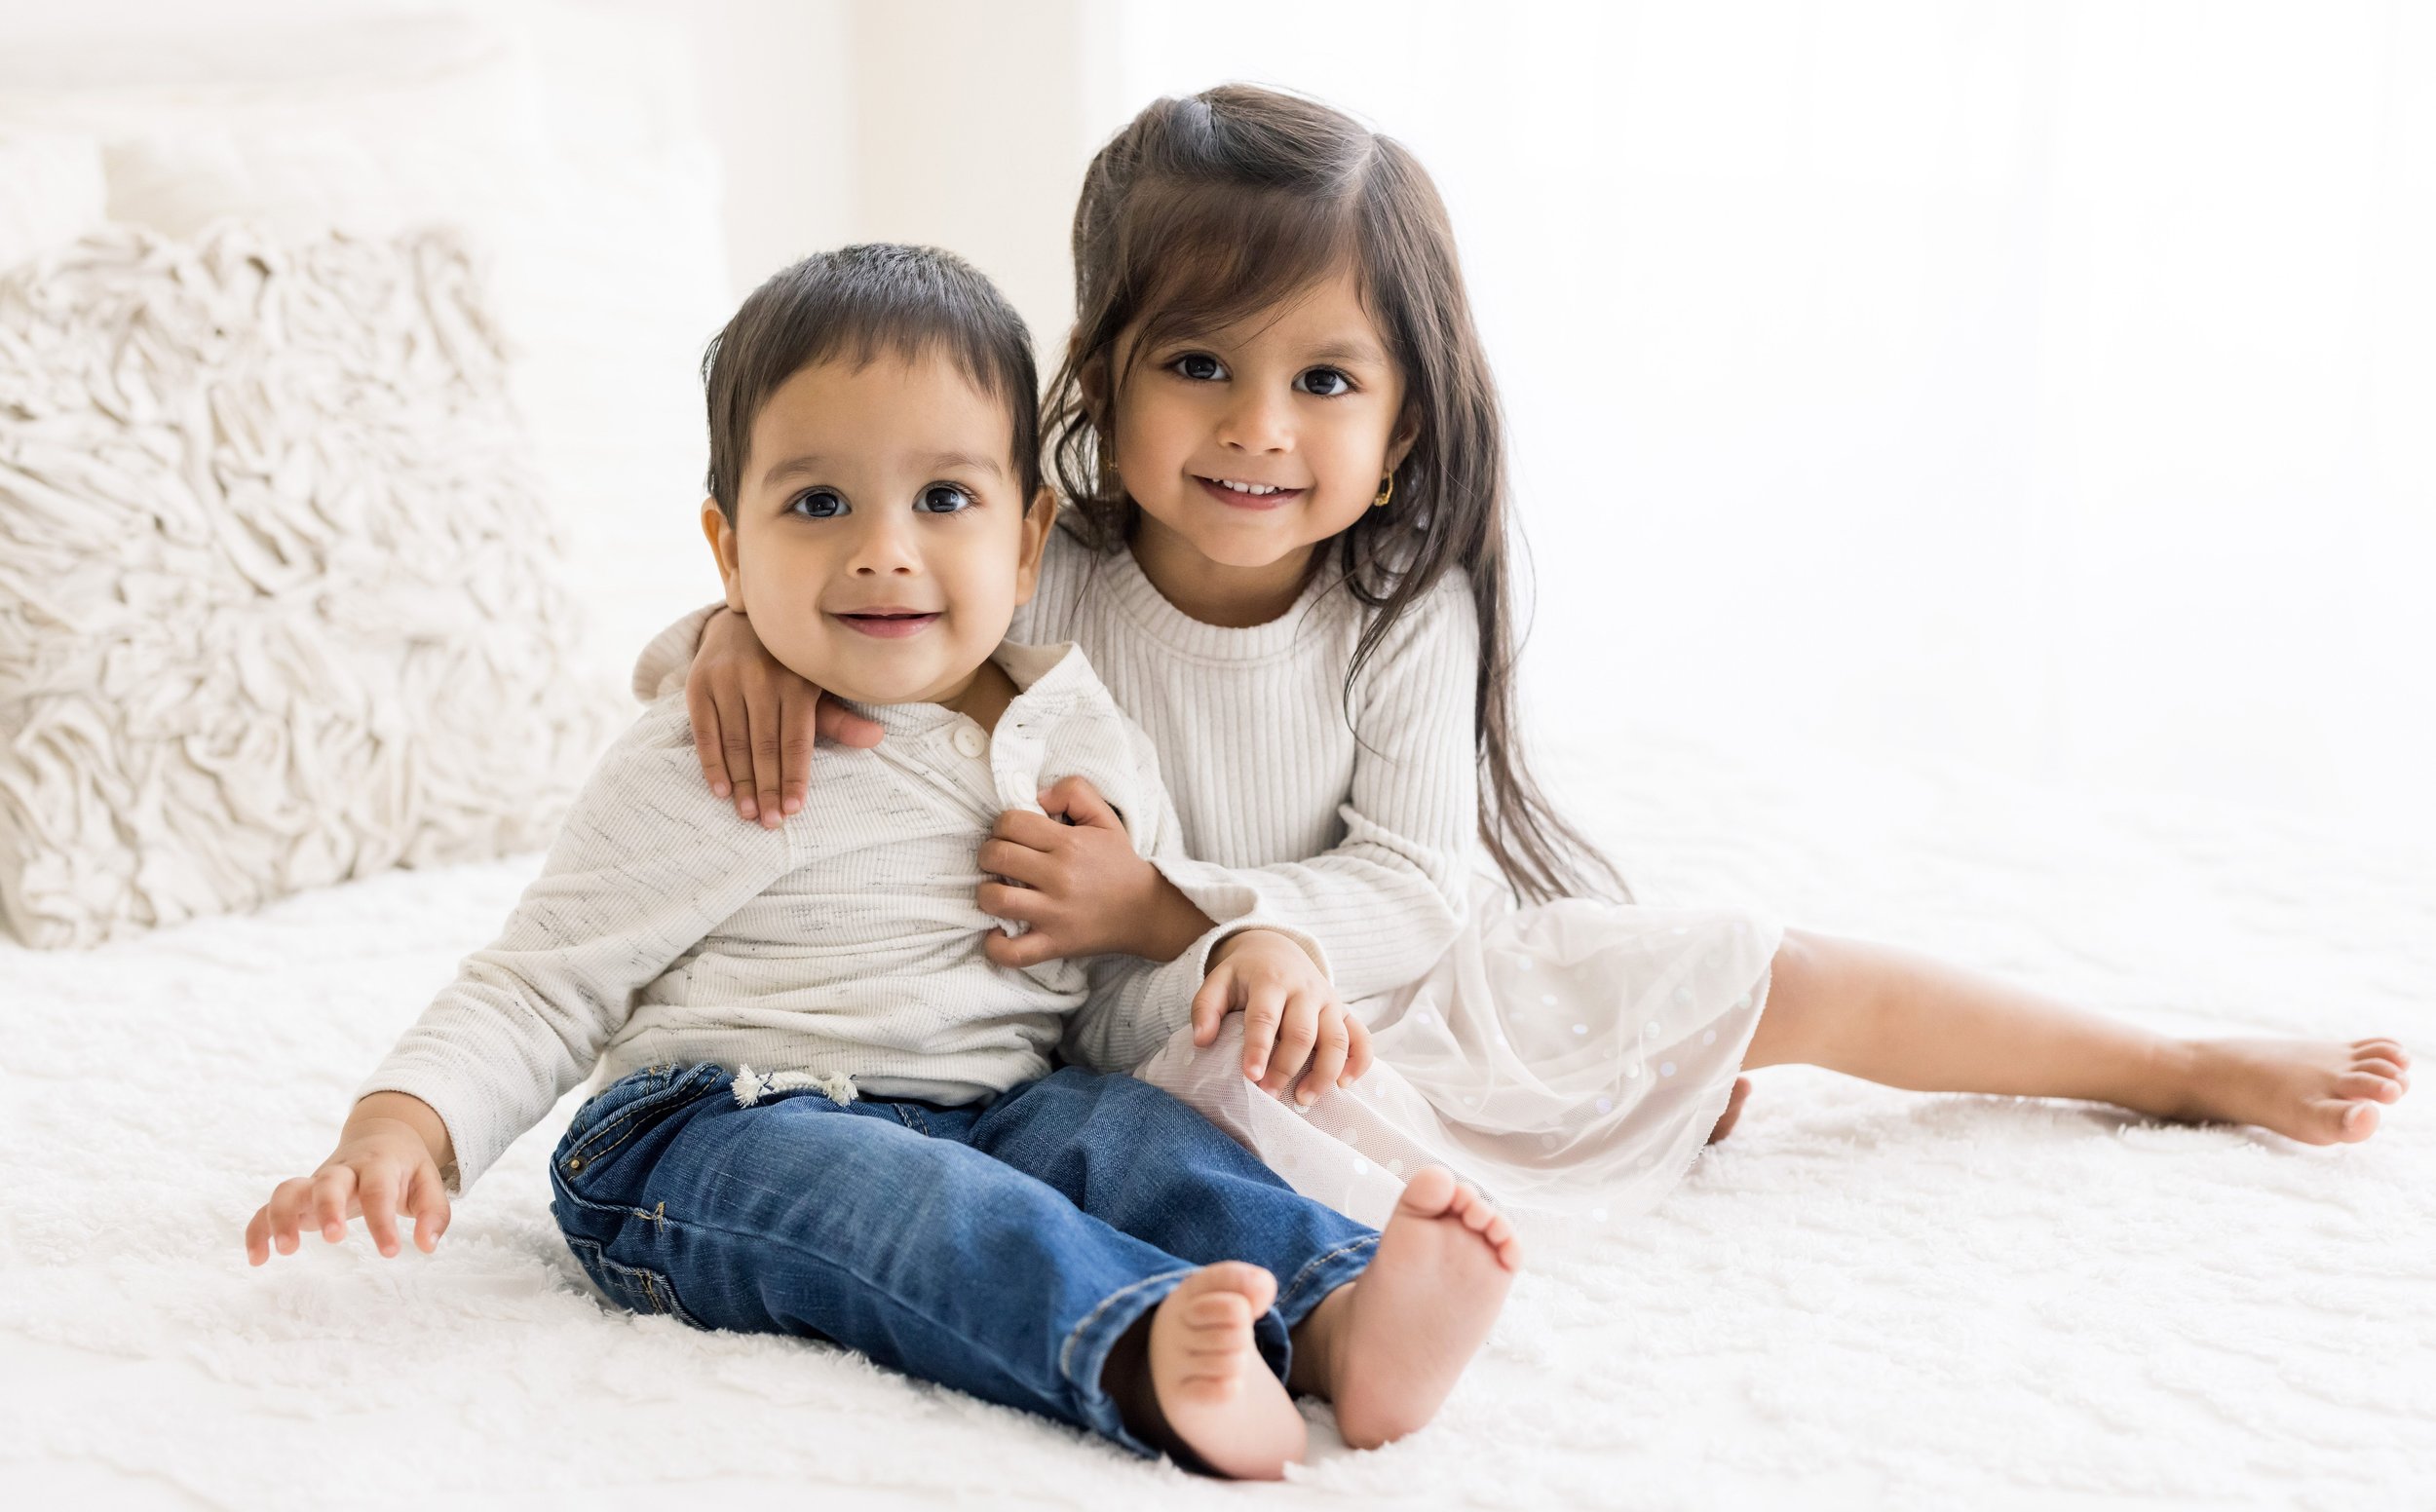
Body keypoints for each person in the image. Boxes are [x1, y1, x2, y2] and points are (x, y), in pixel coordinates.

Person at [650, 88, 2412, 1227]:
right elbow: (832, 622)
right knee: (1234, 1156)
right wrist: (728, 637)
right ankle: (1587, 1134)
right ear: (1102, 372)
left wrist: (1173, 901)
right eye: (1200, 364)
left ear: (1408, 417)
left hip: (1422, 982)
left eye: (1325, 380)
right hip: (1205, 1049)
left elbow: (1418, 884)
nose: (1260, 429)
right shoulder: (1043, 570)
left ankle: (2168, 1064)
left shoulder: (1406, 598)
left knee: (1775, 965)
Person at [244, 243, 1522, 1478]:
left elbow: (1106, 1006)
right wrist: (403, 1126)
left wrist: (1212, 955)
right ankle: (1130, 1347)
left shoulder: (1081, 737)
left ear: (1027, 545)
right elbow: (540, 981)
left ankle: (1340, 1309)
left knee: (1131, 1137)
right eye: (817, 504)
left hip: (993, 1105)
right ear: (729, 553)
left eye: (945, 500)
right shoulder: (724, 748)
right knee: (922, 1207)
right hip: (713, 1128)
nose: (884, 550)